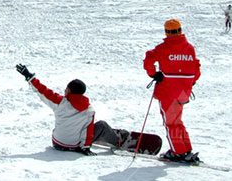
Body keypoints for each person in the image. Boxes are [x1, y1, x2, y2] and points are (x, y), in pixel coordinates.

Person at [14, 64, 130, 155]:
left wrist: (29, 76)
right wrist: (85, 148)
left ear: (69, 91)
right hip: (76, 146)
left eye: (66, 88)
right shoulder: (89, 109)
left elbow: (43, 91)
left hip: (58, 143)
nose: (64, 90)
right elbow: (88, 130)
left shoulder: (60, 103)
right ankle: (118, 141)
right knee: (102, 125)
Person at [143, 19, 201, 163]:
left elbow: (149, 59)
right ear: (180, 30)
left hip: (168, 92)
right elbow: (197, 69)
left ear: (166, 32)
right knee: (177, 120)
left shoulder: (163, 48)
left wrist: (153, 74)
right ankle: (185, 148)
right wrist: (189, 83)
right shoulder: (189, 48)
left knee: (171, 123)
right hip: (183, 92)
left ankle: (178, 151)